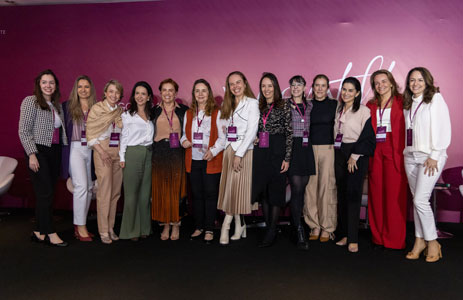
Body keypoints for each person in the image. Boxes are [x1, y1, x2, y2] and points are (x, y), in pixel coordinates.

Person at [403, 67, 451, 262]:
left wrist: (435, 154)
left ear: (427, 81)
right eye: (412, 80)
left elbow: (443, 127)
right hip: (410, 155)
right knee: (417, 199)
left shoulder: (435, 99)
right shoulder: (409, 103)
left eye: (420, 80)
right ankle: (419, 240)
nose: (415, 84)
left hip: (430, 157)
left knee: (420, 200)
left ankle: (432, 241)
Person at [19, 69, 69, 247]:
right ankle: (50, 232)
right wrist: (32, 154)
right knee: (45, 192)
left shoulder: (56, 105)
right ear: (39, 85)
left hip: (54, 152)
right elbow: (24, 131)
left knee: (46, 193)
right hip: (38, 151)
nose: (48, 86)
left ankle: (39, 231)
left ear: (56, 86)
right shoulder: (30, 101)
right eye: (44, 82)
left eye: (51, 83)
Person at [181, 79, 226, 244]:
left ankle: (209, 228)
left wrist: (213, 151)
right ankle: (199, 226)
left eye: (204, 91)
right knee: (197, 195)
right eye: (197, 91)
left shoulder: (217, 112)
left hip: (210, 160)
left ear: (209, 94)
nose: (200, 94)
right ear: (193, 94)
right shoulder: (189, 113)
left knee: (210, 194)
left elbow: (223, 138)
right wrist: (183, 141)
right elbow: (184, 135)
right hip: (193, 159)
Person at [366, 70, 407, 250]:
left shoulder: (402, 101)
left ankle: (394, 239)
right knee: (376, 194)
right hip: (376, 149)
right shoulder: (371, 104)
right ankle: (378, 236)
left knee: (394, 195)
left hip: (395, 149)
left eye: (384, 81)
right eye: (376, 83)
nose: (380, 85)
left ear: (391, 82)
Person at [217, 71, 259, 245]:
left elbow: (252, 131)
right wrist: (215, 150)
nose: (235, 86)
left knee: (236, 189)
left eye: (238, 82)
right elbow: (222, 134)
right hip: (228, 150)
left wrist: (239, 154)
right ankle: (238, 224)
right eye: (232, 84)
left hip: (244, 151)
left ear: (245, 83)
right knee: (231, 189)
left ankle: (226, 226)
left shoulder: (252, 103)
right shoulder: (226, 106)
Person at [334, 77, 376, 253]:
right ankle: (344, 234)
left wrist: (355, 156)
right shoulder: (339, 110)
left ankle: (353, 238)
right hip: (339, 152)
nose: (346, 93)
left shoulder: (364, 111)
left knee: (353, 194)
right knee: (342, 194)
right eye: (344, 89)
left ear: (357, 93)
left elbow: (368, 137)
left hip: (356, 153)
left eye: (350, 90)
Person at [252, 72, 292, 247]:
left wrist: (287, 158)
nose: (266, 89)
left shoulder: (284, 105)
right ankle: (270, 228)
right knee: (265, 193)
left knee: (275, 192)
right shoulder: (258, 107)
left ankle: (271, 231)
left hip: (278, 150)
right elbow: (255, 128)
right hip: (261, 151)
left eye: (269, 86)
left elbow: (290, 132)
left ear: (275, 87)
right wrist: (254, 138)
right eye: (263, 86)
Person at [151, 78, 189, 241]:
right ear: (160, 93)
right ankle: (165, 224)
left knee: (176, 190)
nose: (167, 93)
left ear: (176, 93)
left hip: (177, 152)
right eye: (164, 90)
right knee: (162, 190)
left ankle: (176, 224)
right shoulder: (153, 111)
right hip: (159, 152)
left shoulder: (184, 111)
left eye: (171, 90)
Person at [86, 80, 124, 244]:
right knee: (104, 192)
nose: (113, 95)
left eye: (117, 92)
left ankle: (110, 227)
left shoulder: (120, 111)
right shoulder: (97, 109)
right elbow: (90, 133)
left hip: (117, 150)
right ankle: (102, 231)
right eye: (111, 91)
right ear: (105, 93)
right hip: (102, 151)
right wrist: (101, 152)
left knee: (115, 194)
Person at [304, 74, 338, 242]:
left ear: (327, 87)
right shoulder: (306, 105)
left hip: (329, 149)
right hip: (309, 149)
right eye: (316, 85)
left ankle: (327, 227)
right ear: (312, 87)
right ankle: (314, 225)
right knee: (310, 188)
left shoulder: (335, 105)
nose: (319, 88)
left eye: (323, 85)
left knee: (327, 187)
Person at [62, 75, 97, 242]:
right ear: (75, 89)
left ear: (91, 89)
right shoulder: (67, 107)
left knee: (90, 187)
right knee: (82, 186)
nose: (83, 90)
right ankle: (80, 226)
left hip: (91, 149)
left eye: (87, 87)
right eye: (80, 86)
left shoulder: (96, 107)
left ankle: (80, 225)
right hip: (75, 148)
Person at [119, 81, 154, 241]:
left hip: (148, 153)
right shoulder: (127, 115)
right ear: (133, 96)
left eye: (143, 94)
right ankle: (131, 231)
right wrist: (122, 157)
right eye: (137, 93)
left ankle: (144, 228)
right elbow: (123, 137)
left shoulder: (151, 115)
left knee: (145, 194)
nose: (140, 96)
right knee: (132, 194)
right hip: (132, 154)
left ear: (148, 97)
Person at [286, 75, 315, 250]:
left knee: (303, 189)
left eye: (299, 84)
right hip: (292, 146)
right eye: (293, 85)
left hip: (306, 148)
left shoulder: (310, 105)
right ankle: (298, 230)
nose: (296, 87)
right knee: (296, 188)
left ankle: (298, 222)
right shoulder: (284, 105)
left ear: (305, 87)